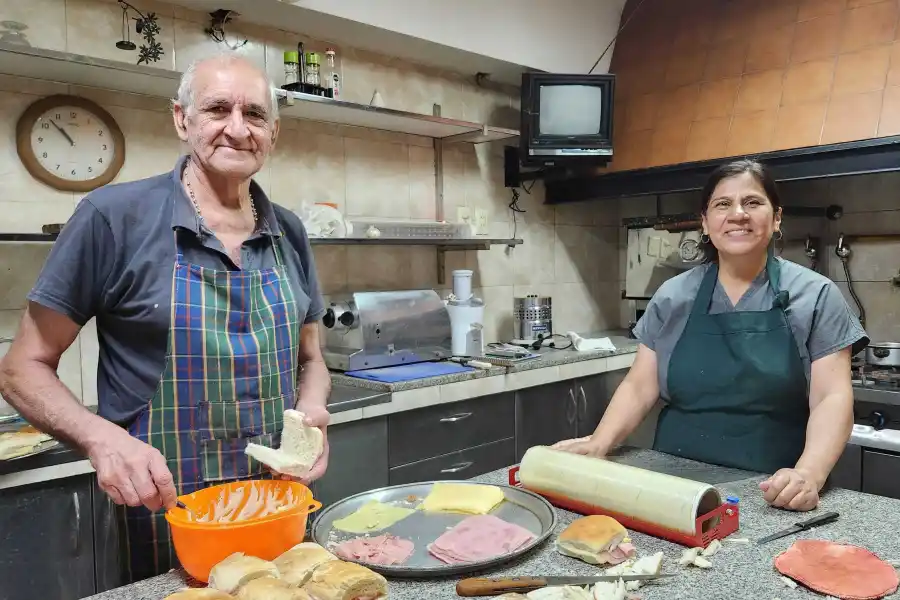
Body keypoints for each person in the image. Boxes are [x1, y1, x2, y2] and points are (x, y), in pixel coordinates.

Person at [0, 53, 331, 582]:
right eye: (217, 109)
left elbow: (312, 358)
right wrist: (100, 438)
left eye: (255, 115)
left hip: (279, 509)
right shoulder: (113, 217)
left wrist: (311, 410)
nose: (237, 128)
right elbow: (21, 367)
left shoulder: (287, 231)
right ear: (182, 119)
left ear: (274, 132)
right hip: (162, 516)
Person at [555, 159, 867, 512]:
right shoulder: (674, 295)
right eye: (723, 204)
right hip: (672, 485)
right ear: (705, 222)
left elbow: (832, 397)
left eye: (752, 202)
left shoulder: (816, 295)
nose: (738, 214)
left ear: (776, 218)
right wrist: (600, 442)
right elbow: (640, 385)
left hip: (773, 487)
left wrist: (809, 474)